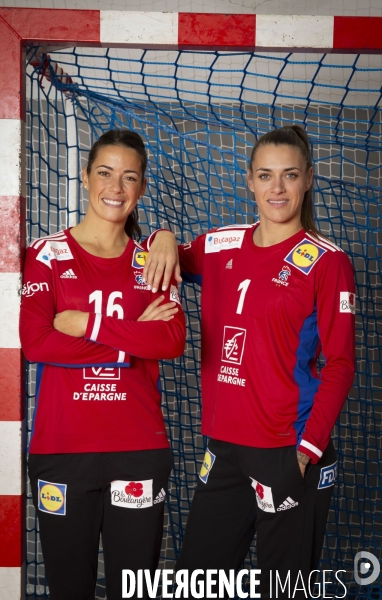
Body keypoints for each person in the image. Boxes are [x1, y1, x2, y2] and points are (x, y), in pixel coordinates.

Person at [143, 126, 356, 598]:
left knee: (284, 590)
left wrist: (307, 451)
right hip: (225, 449)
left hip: (288, 450)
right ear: (249, 182)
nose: (277, 188)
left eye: (289, 175)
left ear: (308, 181)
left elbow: (341, 365)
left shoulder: (327, 262)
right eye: (265, 175)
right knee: (197, 584)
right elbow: (168, 258)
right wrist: (163, 233)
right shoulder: (221, 244)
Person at [20, 129, 186, 600]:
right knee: (69, 589)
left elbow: (172, 339)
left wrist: (85, 324)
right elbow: (37, 342)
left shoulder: (150, 260)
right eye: (106, 173)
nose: (116, 188)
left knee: (133, 591)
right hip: (62, 448)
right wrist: (131, 345)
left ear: (142, 188)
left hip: (137, 446)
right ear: (87, 178)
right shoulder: (47, 254)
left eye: (129, 177)